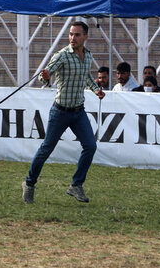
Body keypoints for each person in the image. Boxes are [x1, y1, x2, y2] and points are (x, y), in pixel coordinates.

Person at [22, 21, 105, 204]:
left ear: (85, 37)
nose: (72, 38)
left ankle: (76, 185)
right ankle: (29, 183)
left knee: (90, 146)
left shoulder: (88, 56)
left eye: (76, 35)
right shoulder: (61, 56)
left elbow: (87, 77)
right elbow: (48, 72)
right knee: (46, 149)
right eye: (70, 34)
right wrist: (45, 76)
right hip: (60, 111)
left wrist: (96, 90)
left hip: (78, 111)